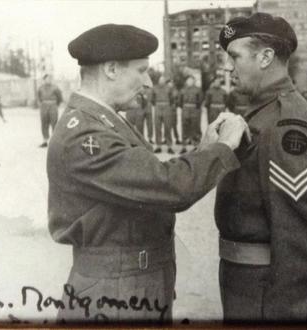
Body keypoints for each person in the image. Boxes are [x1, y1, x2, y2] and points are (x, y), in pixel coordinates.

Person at [47, 23, 249, 323]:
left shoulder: (104, 120)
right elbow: (167, 186)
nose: (148, 83)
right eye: (142, 71)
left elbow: (146, 176)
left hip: (130, 284)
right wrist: (224, 147)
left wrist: (203, 151)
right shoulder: (85, 133)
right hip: (115, 292)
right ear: (112, 69)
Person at [215, 13, 307, 323]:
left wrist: (285, 311)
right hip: (250, 282)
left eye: (235, 56)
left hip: (263, 290)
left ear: (266, 57)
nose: (228, 67)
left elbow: (299, 236)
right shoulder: (265, 112)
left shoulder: (284, 124)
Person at [37, 73, 63, 147]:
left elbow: (60, 98)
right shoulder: (40, 88)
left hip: (53, 106)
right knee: (44, 123)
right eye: (47, 78)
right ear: (44, 79)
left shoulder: (55, 88)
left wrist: (55, 105)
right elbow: (38, 97)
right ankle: (45, 141)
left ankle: (54, 142)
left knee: (54, 123)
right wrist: (41, 104)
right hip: (44, 106)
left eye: (50, 78)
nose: (49, 80)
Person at [179, 76, 203, 154]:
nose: (189, 82)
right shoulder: (183, 90)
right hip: (185, 109)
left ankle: (196, 146)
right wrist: (184, 107)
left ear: (193, 81)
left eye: (191, 80)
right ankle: (184, 146)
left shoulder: (198, 90)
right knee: (185, 127)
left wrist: (195, 108)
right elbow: (179, 101)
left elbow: (200, 100)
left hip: (194, 110)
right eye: (188, 80)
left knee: (195, 127)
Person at [152, 76, 174, 154]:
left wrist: (168, 105)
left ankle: (169, 146)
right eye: (160, 80)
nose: (161, 81)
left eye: (162, 80)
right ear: (158, 81)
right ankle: (158, 146)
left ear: (164, 81)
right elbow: (152, 99)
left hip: (167, 107)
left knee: (167, 126)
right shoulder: (154, 88)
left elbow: (172, 99)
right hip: (158, 107)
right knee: (157, 127)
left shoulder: (169, 88)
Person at [167, 79, 181, 145]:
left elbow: (178, 100)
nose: (170, 84)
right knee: (167, 125)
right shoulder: (166, 90)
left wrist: (175, 104)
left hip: (173, 110)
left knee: (174, 125)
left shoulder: (175, 91)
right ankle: (167, 139)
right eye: (169, 83)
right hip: (166, 110)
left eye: (171, 83)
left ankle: (177, 138)